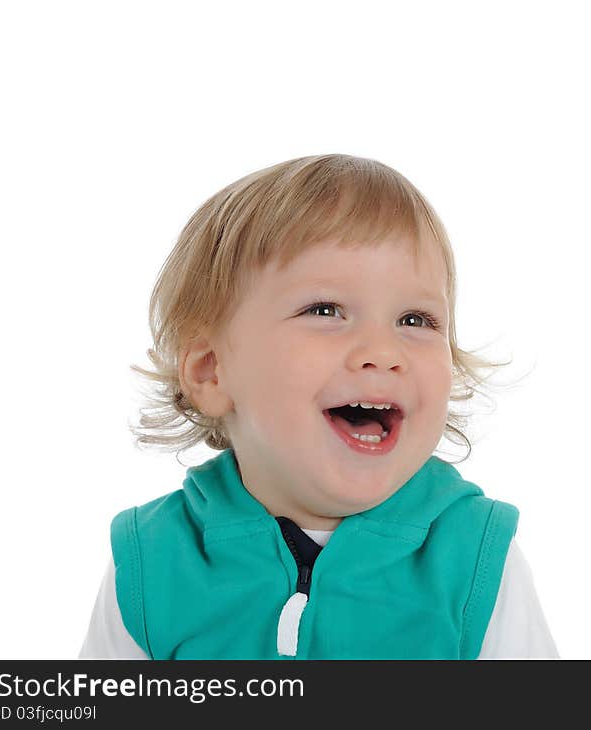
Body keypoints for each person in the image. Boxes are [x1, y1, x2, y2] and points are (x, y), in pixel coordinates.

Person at [79, 154, 558, 659]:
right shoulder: (150, 562)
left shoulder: (477, 557)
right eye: (325, 310)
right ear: (211, 371)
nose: (383, 352)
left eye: (415, 320)